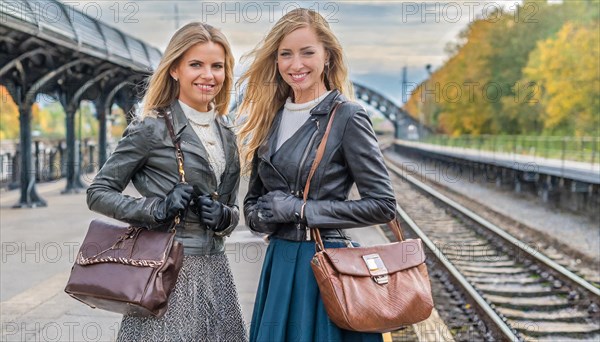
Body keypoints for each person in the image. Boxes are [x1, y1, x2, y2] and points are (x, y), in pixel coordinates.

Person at [237, 8, 397, 342]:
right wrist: (259, 216)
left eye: (307, 52)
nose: (296, 65)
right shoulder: (269, 118)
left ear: (327, 57)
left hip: (326, 264)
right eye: (286, 55)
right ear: (276, 61)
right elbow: (253, 202)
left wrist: (301, 210)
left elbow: (382, 205)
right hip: (279, 262)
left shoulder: (348, 116)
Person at [87, 22, 247, 341]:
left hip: (216, 272)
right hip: (165, 271)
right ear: (175, 69)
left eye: (217, 66)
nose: (208, 75)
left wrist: (225, 217)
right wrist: (157, 208)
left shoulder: (227, 132)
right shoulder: (152, 128)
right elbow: (98, 193)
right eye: (196, 65)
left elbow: (230, 207)